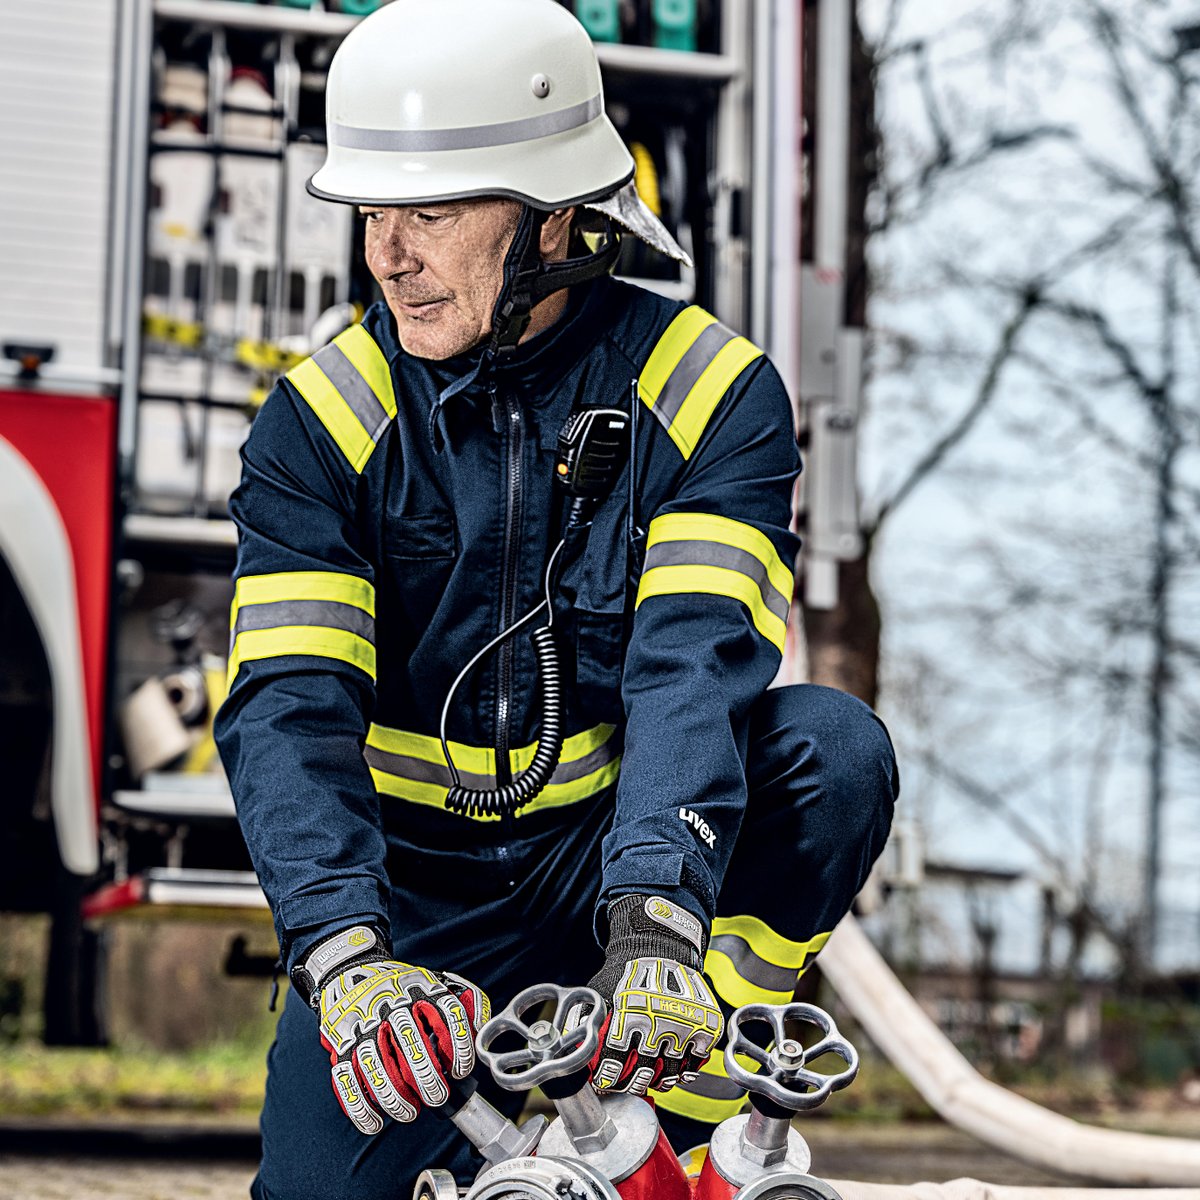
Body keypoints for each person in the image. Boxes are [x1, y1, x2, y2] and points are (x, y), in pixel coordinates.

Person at [214, 1, 899, 1196]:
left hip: (614, 868)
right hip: (414, 898)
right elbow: (288, 709)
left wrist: (655, 923)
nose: (388, 253)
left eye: (430, 209)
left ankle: (663, 1112)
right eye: (374, 210)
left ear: (554, 216)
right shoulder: (317, 422)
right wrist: (347, 953)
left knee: (832, 753)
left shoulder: (710, 394)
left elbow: (694, 668)